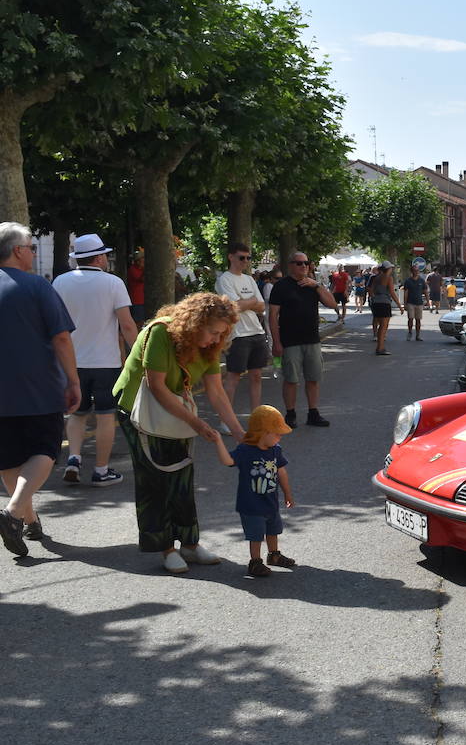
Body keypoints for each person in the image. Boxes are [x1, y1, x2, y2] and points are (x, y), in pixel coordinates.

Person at [112, 292, 246, 573]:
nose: (215, 339)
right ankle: (166, 548)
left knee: (182, 476)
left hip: (174, 408)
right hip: (138, 410)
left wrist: (239, 433)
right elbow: (157, 387)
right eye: (212, 332)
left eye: (221, 334)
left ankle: (190, 544)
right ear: (195, 323)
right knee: (155, 479)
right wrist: (197, 424)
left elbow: (217, 392)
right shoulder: (161, 333)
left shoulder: (211, 345)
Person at [0, 223, 81, 556]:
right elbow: (61, 338)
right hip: (38, 387)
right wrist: (73, 381)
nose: (33, 252)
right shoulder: (37, 287)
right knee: (44, 450)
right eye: (31, 247)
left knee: (8, 458)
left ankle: (29, 521)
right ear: (18, 250)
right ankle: (12, 511)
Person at [53, 233, 140, 491]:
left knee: (77, 413)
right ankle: (101, 470)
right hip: (105, 361)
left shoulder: (60, 282)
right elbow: (126, 324)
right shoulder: (113, 283)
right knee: (105, 416)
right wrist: (139, 354)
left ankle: (74, 459)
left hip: (72, 360)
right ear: (100, 257)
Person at [210, 404, 296, 578]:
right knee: (256, 534)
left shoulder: (275, 450)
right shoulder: (245, 451)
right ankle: (255, 562)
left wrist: (287, 493)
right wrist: (218, 442)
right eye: (277, 433)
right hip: (251, 505)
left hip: (270, 502)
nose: (280, 437)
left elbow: (281, 472)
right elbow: (228, 461)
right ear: (263, 432)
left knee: (273, 530)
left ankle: (274, 555)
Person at [269, 253, 335, 427]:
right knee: (291, 379)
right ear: (290, 265)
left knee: (313, 378)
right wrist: (276, 342)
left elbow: (332, 304)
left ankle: (313, 413)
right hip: (290, 341)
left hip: (312, 340)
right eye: (299, 263)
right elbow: (273, 315)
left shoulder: (313, 286)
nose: (303, 266)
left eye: (306, 262)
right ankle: (290, 414)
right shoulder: (281, 286)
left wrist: (317, 285)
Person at [215, 242, 270, 426]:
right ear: (231, 257)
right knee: (233, 377)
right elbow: (234, 307)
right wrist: (252, 301)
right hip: (237, 335)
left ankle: (256, 418)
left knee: (256, 376)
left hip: (257, 332)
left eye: (248, 258)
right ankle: (226, 421)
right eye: (241, 258)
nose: (245, 261)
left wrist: (248, 302)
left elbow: (262, 306)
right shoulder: (225, 279)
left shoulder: (249, 279)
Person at [368, 261, 402, 354]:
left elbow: (371, 290)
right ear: (388, 269)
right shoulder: (388, 278)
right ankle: (380, 348)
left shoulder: (376, 278)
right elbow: (392, 292)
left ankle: (379, 347)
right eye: (391, 268)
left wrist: (374, 298)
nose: (392, 270)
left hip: (376, 303)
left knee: (380, 326)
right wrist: (399, 305)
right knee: (384, 326)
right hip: (384, 302)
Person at [401, 263, 427, 341]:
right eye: (415, 271)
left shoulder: (421, 281)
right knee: (410, 318)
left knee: (418, 320)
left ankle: (418, 335)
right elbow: (406, 293)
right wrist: (405, 304)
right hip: (410, 303)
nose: (416, 272)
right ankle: (410, 332)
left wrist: (428, 301)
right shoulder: (408, 281)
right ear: (412, 271)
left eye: (417, 271)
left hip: (419, 303)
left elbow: (425, 291)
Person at [126, 249, 146, 324]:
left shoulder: (140, 269)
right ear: (138, 261)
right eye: (142, 259)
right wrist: (145, 269)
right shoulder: (133, 269)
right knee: (138, 321)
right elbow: (141, 279)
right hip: (137, 300)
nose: (144, 261)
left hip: (142, 299)